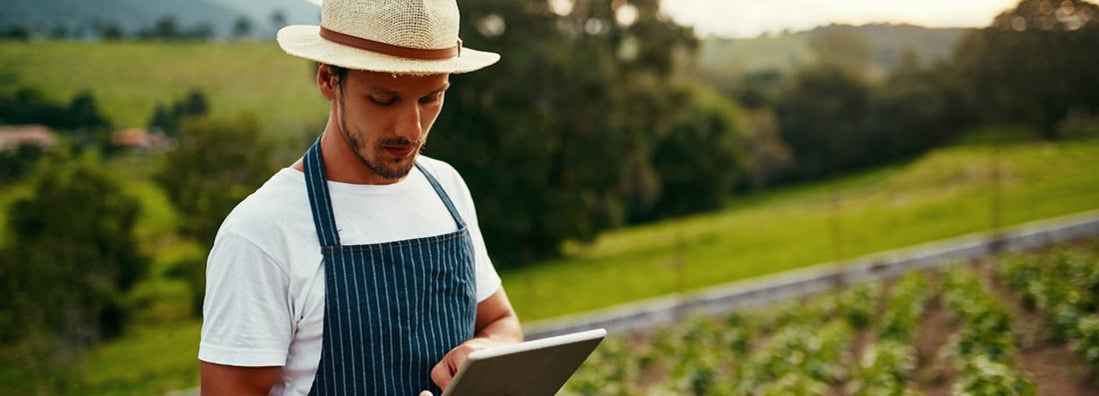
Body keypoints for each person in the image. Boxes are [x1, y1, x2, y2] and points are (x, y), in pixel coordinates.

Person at [197, 0, 523, 394]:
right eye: (384, 100)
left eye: (430, 98)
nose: (411, 128)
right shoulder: (261, 232)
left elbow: (502, 322)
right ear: (329, 80)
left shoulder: (446, 187)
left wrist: (482, 350)